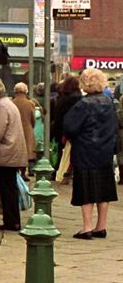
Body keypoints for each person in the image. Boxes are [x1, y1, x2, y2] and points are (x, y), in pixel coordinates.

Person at [62, 68, 119, 239]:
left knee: (86, 189)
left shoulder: (83, 104)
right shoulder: (109, 102)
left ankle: (86, 227)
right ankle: (101, 226)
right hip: (105, 152)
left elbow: (69, 127)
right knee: (104, 189)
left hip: (85, 151)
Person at [0, 77, 28, 231]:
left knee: (7, 189)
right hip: (12, 152)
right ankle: (13, 221)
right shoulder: (7, 103)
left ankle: (11, 222)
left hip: (6, 153)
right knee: (9, 188)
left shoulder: (1, 106)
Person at [52, 75, 83, 184]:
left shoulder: (61, 98)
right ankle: (69, 173)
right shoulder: (80, 99)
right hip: (76, 130)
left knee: (63, 152)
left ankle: (62, 172)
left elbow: (58, 116)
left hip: (62, 130)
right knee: (74, 153)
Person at [11, 82, 39, 175]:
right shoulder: (30, 103)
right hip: (27, 129)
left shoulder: (12, 103)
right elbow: (33, 119)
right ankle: (24, 173)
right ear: (26, 91)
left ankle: (16, 173)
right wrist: (31, 126)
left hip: (14, 129)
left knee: (16, 152)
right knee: (27, 151)